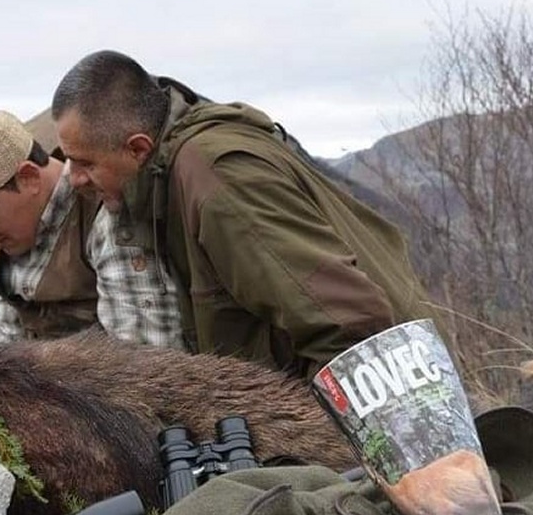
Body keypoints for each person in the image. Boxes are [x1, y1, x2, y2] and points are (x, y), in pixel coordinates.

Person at [51, 50, 435, 380]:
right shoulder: (172, 177)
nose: (74, 178)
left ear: (137, 149)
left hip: (399, 397)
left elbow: (349, 324)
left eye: (84, 163)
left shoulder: (219, 184)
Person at [0, 108, 184, 348]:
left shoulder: (108, 221)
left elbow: (144, 364)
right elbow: (5, 338)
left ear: (28, 177)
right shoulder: (7, 235)